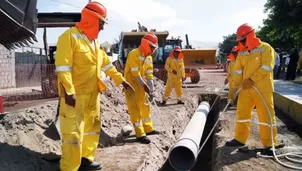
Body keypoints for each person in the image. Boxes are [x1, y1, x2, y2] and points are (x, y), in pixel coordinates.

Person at [55, 2, 133, 171]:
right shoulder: (68, 38)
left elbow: (107, 65)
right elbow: (63, 68)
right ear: (92, 19)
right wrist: (69, 91)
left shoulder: (95, 43)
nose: (103, 28)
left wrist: (121, 80)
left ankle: (86, 159)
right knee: (73, 135)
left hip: (93, 95)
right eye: (101, 23)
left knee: (92, 129)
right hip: (75, 97)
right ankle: (69, 167)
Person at [226, 23, 278, 153]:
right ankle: (239, 139)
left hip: (262, 89)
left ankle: (270, 144)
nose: (240, 43)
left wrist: (252, 79)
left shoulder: (266, 48)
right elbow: (237, 71)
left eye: (242, 40)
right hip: (245, 89)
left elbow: (267, 67)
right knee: (242, 114)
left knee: (266, 116)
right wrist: (233, 89)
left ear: (249, 36)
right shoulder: (242, 53)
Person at [124, 33, 160, 144]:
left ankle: (148, 128)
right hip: (131, 86)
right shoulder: (133, 54)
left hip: (141, 85)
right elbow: (136, 74)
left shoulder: (148, 58)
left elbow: (149, 75)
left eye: (154, 48)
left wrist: (151, 89)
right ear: (145, 44)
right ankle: (140, 134)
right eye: (152, 47)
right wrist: (145, 86)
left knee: (145, 106)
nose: (153, 50)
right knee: (135, 110)